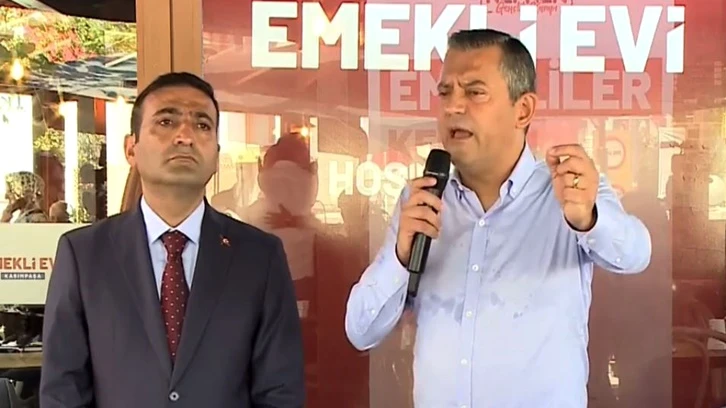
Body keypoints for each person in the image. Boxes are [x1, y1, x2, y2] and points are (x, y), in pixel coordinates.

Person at [344, 29, 652, 407]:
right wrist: (400, 258)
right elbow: (361, 330)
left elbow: (636, 254)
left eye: (474, 92)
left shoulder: (568, 190)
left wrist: (589, 219)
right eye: (445, 93)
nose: (453, 107)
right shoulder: (422, 200)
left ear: (523, 110)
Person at [40, 72, 305, 408]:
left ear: (216, 153)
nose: (185, 136)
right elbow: (63, 392)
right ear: (131, 148)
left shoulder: (259, 257)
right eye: (166, 121)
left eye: (202, 125)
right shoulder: (84, 255)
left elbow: (280, 392)